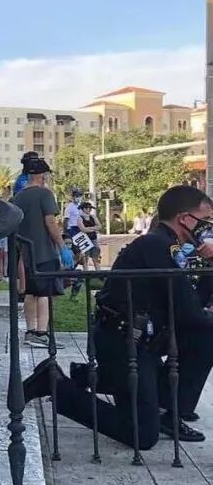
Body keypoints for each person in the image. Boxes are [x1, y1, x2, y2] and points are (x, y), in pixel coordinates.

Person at [24, 186, 213, 448]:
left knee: (206, 335)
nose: (209, 226)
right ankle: (55, 384)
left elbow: (192, 307)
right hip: (123, 342)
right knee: (143, 435)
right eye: (206, 219)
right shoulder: (155, 245)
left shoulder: (169, 246)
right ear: (185, 219)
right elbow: (189, 311)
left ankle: (166, 408)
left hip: (145, 340)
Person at [12, 157, 64, 348]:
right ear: (43, 175)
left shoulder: (18, 198)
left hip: (26, 253)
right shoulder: (45, 194)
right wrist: (62, 247)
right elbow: (50, 222)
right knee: (45, 293)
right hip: (44, 252)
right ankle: (42, 333)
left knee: (30, 292)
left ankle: (30, 331)